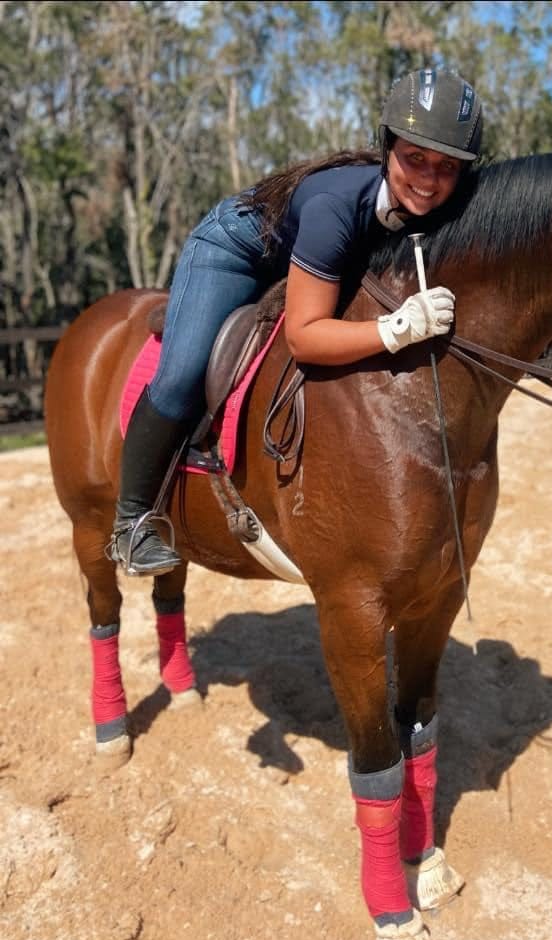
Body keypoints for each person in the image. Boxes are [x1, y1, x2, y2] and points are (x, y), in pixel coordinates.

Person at [109, 68, 484, 576]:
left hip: (313, 253)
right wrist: (398, 329)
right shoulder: (335, 207)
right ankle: (131, 522)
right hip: (238, 251)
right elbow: (305, 338)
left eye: (447, 167)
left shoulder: (431, 200)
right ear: (387, 147)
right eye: (414, 158)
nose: (428, 180)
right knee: (183, 372)